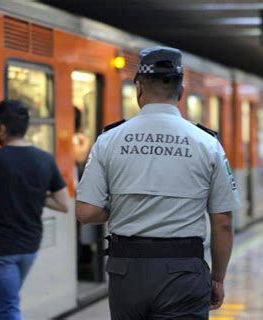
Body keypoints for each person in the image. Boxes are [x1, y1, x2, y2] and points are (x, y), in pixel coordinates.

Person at [76, 46, 241, 319]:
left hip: (125, 270)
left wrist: (123, 206)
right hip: (184, 271)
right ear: (182, 91)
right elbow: (223, 221)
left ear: (138, 88)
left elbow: (86, 212)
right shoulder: (207, 143)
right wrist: (218, 279)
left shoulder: (109, 139)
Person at [0, 100, 69, 320]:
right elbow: (63, 204)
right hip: (30, 247)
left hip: (0, 250)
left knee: (8, 309)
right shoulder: (44, 159)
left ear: (2, 129)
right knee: (10, 302)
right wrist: (34, 193)